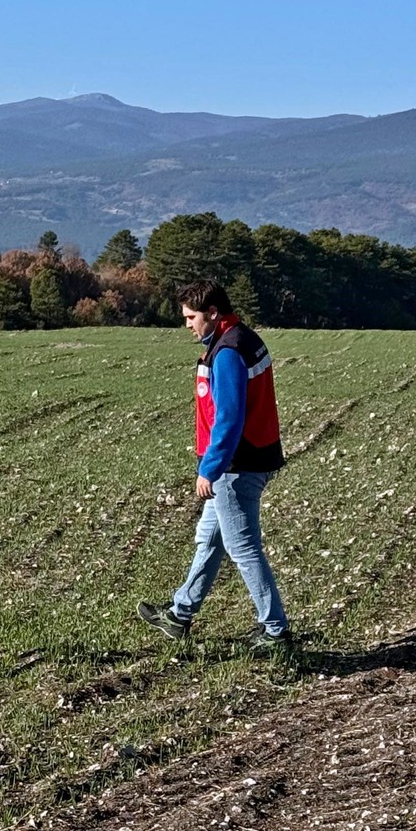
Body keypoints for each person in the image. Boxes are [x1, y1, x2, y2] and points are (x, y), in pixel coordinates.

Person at [138, 280, 293, 654]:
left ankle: (275, 631)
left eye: (191, 318)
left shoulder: (227, 352)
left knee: (243, 547)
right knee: (209, 538)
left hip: (236, 466)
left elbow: (228, 419)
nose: (187, 325)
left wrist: (210, 468)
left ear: (212, 313)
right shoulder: (242, 338)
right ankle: (179, 614)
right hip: (249, 458)